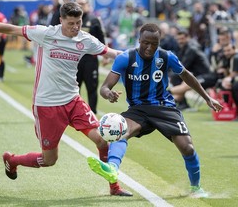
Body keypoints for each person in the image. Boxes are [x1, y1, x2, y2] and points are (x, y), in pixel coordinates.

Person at [0, 2, 132, 196]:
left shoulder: (85, 39)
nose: (75, 27)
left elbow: (115, 54)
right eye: (71, 23)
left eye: (78, 22)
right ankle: (12, 161)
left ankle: (114, 187)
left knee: (102, 140)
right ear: (61, 20)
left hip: (73, 101)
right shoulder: (45, 33)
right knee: (49, 160)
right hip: (47, 106)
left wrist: (141, 58)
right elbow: (10, 29)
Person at [87, 23, 223, 198]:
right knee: (120, 132)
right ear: (139, 40)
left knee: (187, 148)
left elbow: (187, 75)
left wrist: (207, 98)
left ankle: (196, 188)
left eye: (154, 43)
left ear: (159, 42)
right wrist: (109, 94)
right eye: (145, 43)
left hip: (164, 107)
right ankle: (112, 169)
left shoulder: (167, 57)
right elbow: (104, 87)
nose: (149, 48)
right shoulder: (125, 58)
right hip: (138, 109)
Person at [74, 0, 106, 114]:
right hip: (74, 59)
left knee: (92, 87)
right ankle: (74, 112)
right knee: (74, 88)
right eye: (78, 4)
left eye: (83, 3)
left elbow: (101, 38)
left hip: (90, 59)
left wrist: (106, 56)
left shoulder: (94, 19)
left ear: (88, 4)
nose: (81, 6)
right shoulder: (71, 20)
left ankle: (92, 113)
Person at [169, 30, 210, 110]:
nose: (180, 41)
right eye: (178, 39)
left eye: (182, 39)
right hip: (196, 75)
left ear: (188, 37)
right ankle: (177, 102)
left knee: (177, 78)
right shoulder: (184, 48)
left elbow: (183, 66)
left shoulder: (192, 48)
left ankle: (165, 95)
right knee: (177, 77)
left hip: (204, 76)